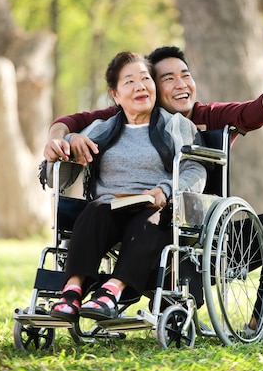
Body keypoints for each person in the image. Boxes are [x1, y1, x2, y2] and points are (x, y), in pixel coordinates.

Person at [45, 46, 263, 340]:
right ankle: (76, 294)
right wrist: (62, 140)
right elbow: (73, 123)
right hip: (125, 224)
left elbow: (255, 112)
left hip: (194, 234)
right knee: (102, 213)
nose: (180, 84)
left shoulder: (196, 120)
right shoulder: (114, 120)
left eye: (185, 75)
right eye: (168, 79)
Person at [49, 51, 206, 322]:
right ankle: (71, 291)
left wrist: (165, 190)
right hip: (111, 209)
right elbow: (66, 155)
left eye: (145, 79)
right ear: (115, 95)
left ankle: (112, 291)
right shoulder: (102, 128)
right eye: (129, 81)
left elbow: (195, 168)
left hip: (156, 207)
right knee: (94, 210)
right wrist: (70, 139)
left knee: (149, 219)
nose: (140, 86)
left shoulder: (178, 126)